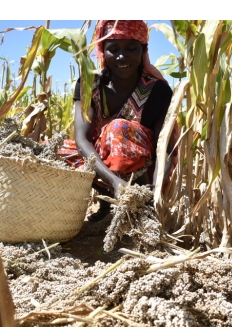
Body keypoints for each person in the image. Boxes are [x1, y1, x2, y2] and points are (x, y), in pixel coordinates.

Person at [58, 20, 178, 221]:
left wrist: (154, 190)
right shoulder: (90, 84)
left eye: (131, 48)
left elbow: (164, 148)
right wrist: (113, 181)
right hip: (100, 163)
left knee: (118, 129)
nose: (122, 56)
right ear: (103, 51)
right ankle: (106, 201)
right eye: (113, 49)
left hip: (143, 173)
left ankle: (140, 206)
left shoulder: (157, 90)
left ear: (144, 50)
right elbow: (82, 139)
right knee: (53, 154)